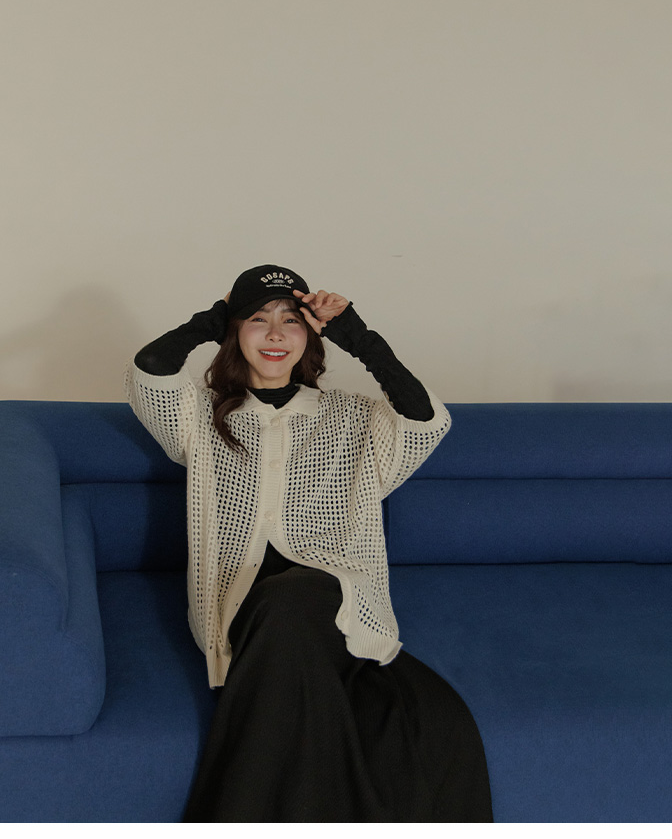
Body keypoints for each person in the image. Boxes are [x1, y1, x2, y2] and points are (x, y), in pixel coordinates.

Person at [125, 264, 492, 822]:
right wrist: (215, 317)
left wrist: (355, 333)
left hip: (333, 596)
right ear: (234, 331)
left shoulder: (350, 416)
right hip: (239, 602)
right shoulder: (198, 414)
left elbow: (423, 421)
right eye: (258, 319)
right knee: (284, 609)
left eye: (291, 321)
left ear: (310, 335)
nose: (275, 334)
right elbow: (150, 368)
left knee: (296, 600)